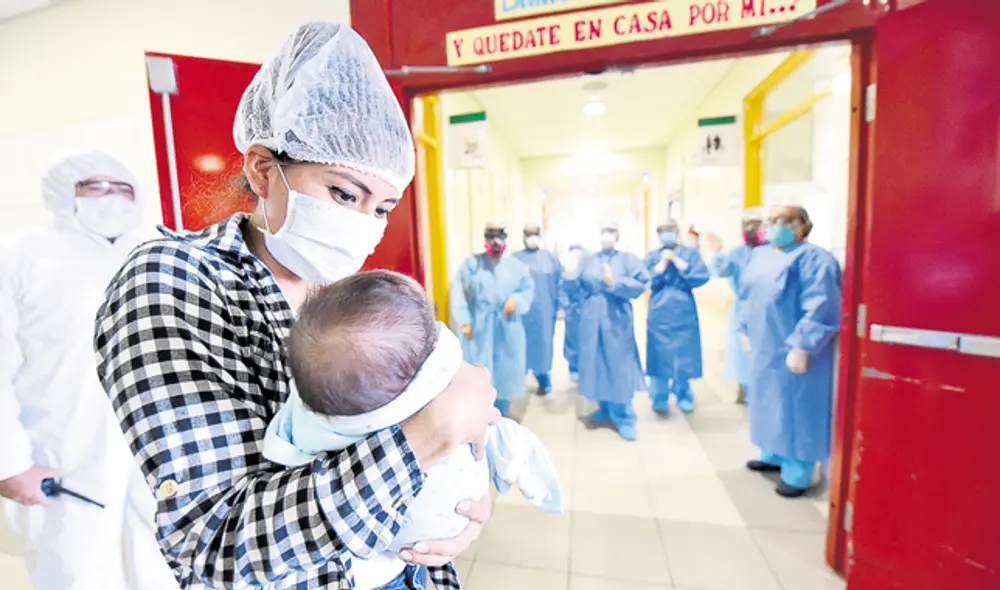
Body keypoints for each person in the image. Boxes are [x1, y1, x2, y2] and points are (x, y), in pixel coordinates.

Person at [94, 23, 499, 590]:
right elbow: (215, 545)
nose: (362, 225)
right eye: (342, 193)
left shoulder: (353, 295)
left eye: (381, 207)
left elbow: (453, 424)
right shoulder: (175, 282)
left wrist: (466, 499)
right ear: (263, 168)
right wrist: (426, 439)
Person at [262, 271, 563, 589]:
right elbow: (458, 416)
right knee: (500, 438)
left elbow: (284, 452)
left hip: (380, 553)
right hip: (410, 535)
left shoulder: (319, 396)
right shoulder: (420, 377)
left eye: (382, 214)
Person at [0, 152, 174, 590]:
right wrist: (10, 463)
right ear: (63, 194)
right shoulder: (23, 255)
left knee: (164, 568)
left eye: (122, 188)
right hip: (63, 455)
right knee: (77, 571)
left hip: (156, 450)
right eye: (95, 187)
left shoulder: (158, 251)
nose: (111, 197)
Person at [738, 205, 841, 498]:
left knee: (796, 406)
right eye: (773, 221)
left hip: (793, 347)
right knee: (766, 400)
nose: (776, 227)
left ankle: (798, 471)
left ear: (803, 226)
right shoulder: (760, 256)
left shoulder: (815, 259)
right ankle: (771, 454)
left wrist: (802, 346)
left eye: (785, 221)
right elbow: (747, 296)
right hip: (763, 345)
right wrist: (743, 329)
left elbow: (821, 304)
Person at [564, 222, 650, 441]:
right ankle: (604, 406)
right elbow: (574, 291)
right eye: (604, 232)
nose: (607, 236)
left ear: (617, 235)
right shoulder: (588, 260)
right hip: (591, 318)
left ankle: (624, 415)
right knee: (596, 362)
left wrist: (616, 282)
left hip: (616, 318)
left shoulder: (628, 260)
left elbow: (643, 282)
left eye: (611, 232)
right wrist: (570, 276)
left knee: (618, 363)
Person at [451, 222, 535, 417]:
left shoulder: (516, 267)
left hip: (507, 326)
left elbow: (527, 289)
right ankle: (480, 412)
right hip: (479, 327)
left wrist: (516, 299)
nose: (496, 242)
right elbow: (459, 293)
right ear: (485, 239)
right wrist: (464, 320)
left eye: (500, 236)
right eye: (491, 236)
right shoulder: (472, 265)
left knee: (506, 370)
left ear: (506, 238)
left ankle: (501, 411)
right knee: (478, 368)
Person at [644, 219, 710, 414]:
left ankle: (684, 393)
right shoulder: (652, 257)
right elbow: (645, 279)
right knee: (658, 353)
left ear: (677, 232)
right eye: (663, 231)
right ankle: (659, 395)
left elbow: (701, 276)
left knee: (684, 354)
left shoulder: (689, 254)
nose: (667, 234)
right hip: (659, 312)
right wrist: (662, 264)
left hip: (684, 312)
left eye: (670, 230)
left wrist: (680, 264)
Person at [706, 207, 766, 405]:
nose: (751, 228)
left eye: (756, 224)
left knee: (765, 352)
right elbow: (721, 271)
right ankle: (746, 390)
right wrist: (717, 251)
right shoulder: (736, 253)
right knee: (742, 354)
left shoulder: (773, 251)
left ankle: (763, 392)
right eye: (747, 224)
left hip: (768, 310)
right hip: (742, 309)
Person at [512, 223, 562, 395]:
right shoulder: (514, 259)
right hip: (520, 313)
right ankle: (517, 381)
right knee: (520, 347)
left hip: (544, 312)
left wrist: (562, 306)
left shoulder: (550, 258)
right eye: (528, 234)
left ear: (540, 236)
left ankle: (543, 379)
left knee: (543, 346)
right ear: (523, 236)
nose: (532, 237)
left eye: (535, 233)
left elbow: (560, 283)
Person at [559, 244, 585, 382]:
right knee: (573, 338)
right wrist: (567, 307)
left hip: (588, 312)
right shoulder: (566, 273)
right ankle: (573, 367)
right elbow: (562, 291)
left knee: (588, 340)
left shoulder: (588, 271)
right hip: (573, 313)